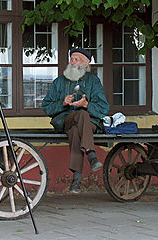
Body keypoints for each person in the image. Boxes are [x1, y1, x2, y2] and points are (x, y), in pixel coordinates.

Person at [42, 48, 109, 194]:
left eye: (76, 59)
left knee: (79, 123)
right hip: (66, 120)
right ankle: (91, 154)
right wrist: (63, 103)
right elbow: (46, 107)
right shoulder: (59, 82)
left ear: (86, 64)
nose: (72, 62)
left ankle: (77, 178)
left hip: (89, 123)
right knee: (81, 116)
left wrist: (86, 105)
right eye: (71, 59)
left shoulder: (93, 81)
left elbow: (104, 108)